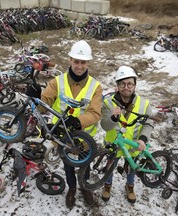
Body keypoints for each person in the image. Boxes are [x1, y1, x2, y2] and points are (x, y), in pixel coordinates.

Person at [36, 40, 103, 208]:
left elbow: (95, 113)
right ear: (70, 60)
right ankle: (72, 189)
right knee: (68, 164)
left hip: (85, 138)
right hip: (63, 136)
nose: (79, 66)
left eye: (83, 62)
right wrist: (35, 97)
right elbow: (44, 103)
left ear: (88, 63)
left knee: (85, 164)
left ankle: (85, 187)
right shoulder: (57, 82)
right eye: (76, 61)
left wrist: (78, 121)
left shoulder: (95, 86)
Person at [100, 65, 154, 203]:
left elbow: (148, 124)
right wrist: (112, 118)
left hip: (134, 146)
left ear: (135, 85)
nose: (126, 87)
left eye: (130, 83)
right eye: (122, 84)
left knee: (132, 168)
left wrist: (143, 139)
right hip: (114, 145)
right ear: (117, 86)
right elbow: (104, 126)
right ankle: (107, 185)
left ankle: (130, 186)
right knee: (110, 167)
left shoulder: (144, 104)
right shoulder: (108, 103)